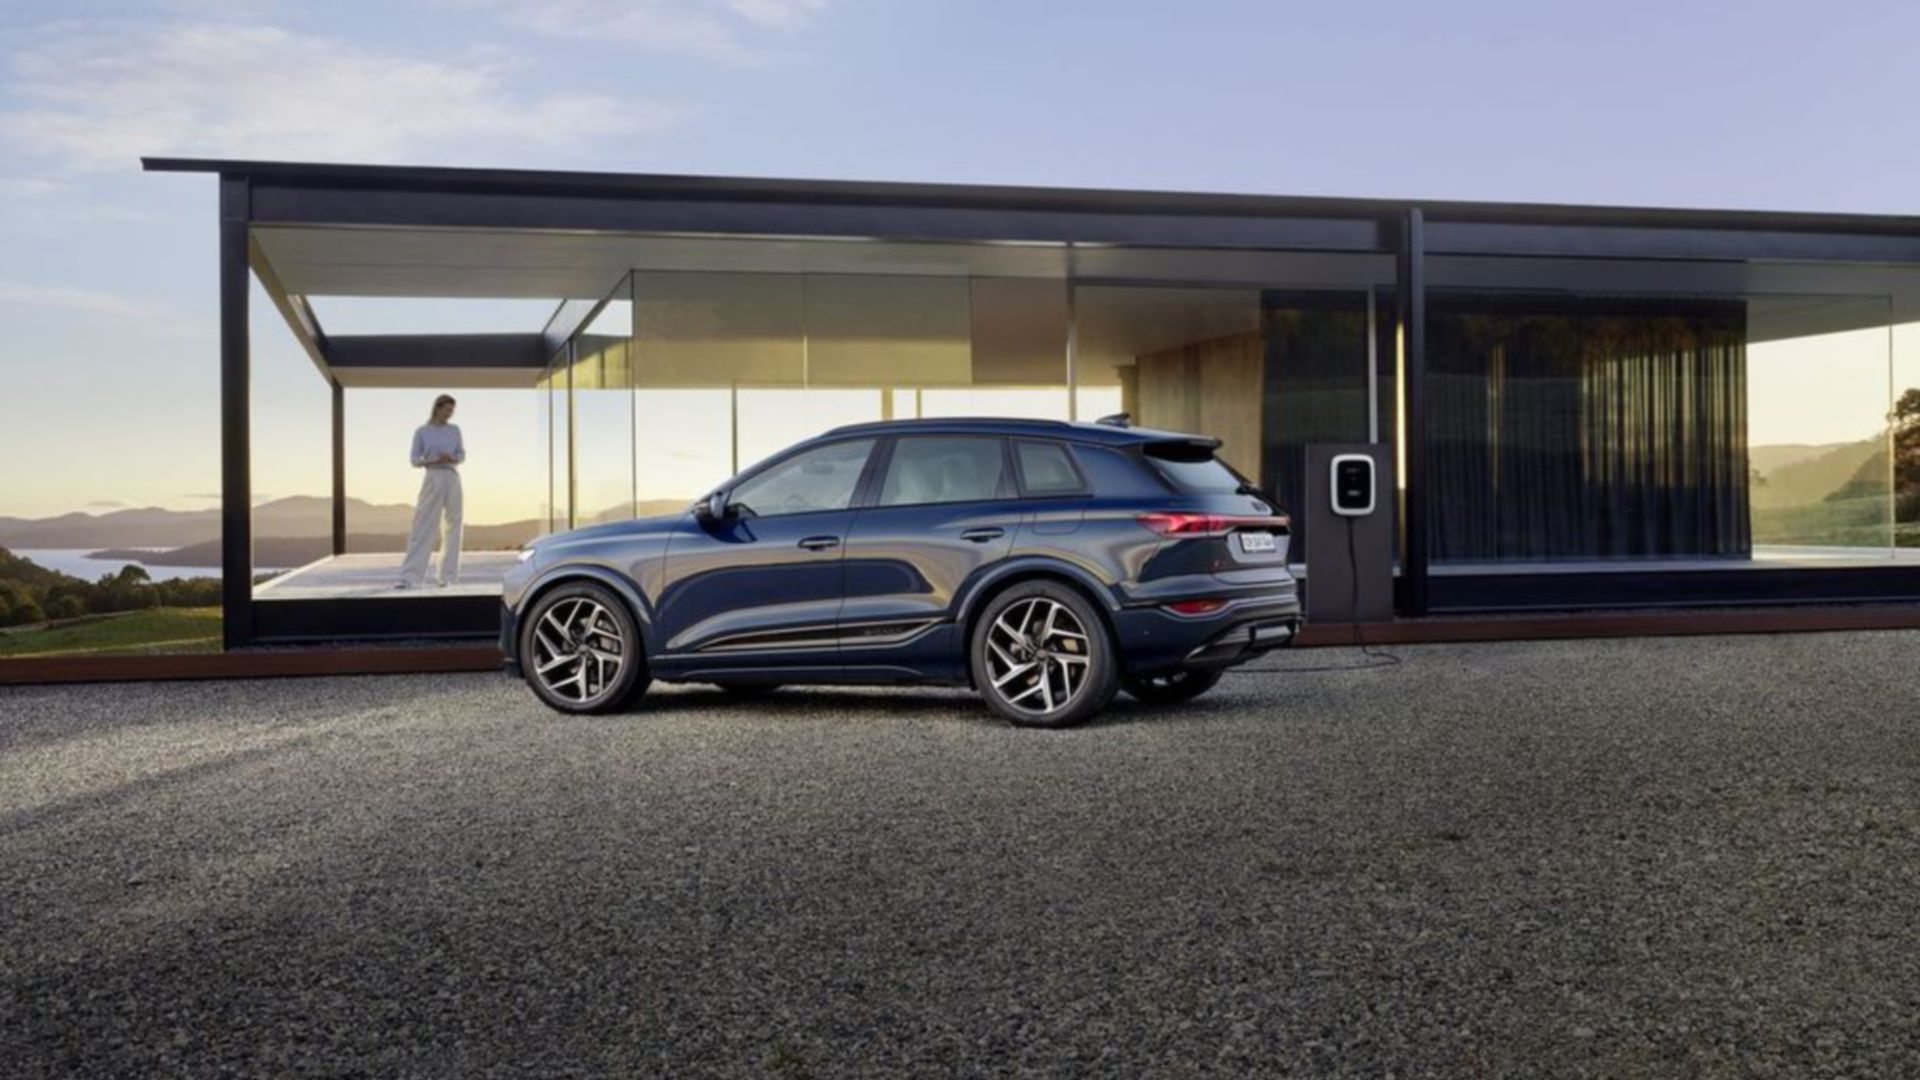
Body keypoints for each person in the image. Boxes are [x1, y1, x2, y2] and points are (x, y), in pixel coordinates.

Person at [397, 394, 465, 588]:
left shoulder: (455, 430)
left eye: (452, 410)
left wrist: (451, 457)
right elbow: (414, 459)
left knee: (454, 525)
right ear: (437, 408)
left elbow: (462, 455)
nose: (449, 414)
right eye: (447, 409)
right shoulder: (422, 431)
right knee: (423, 525)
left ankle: (448, 577)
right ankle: (410, 577)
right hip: (433, 476)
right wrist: (432, 460)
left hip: (452, 476)